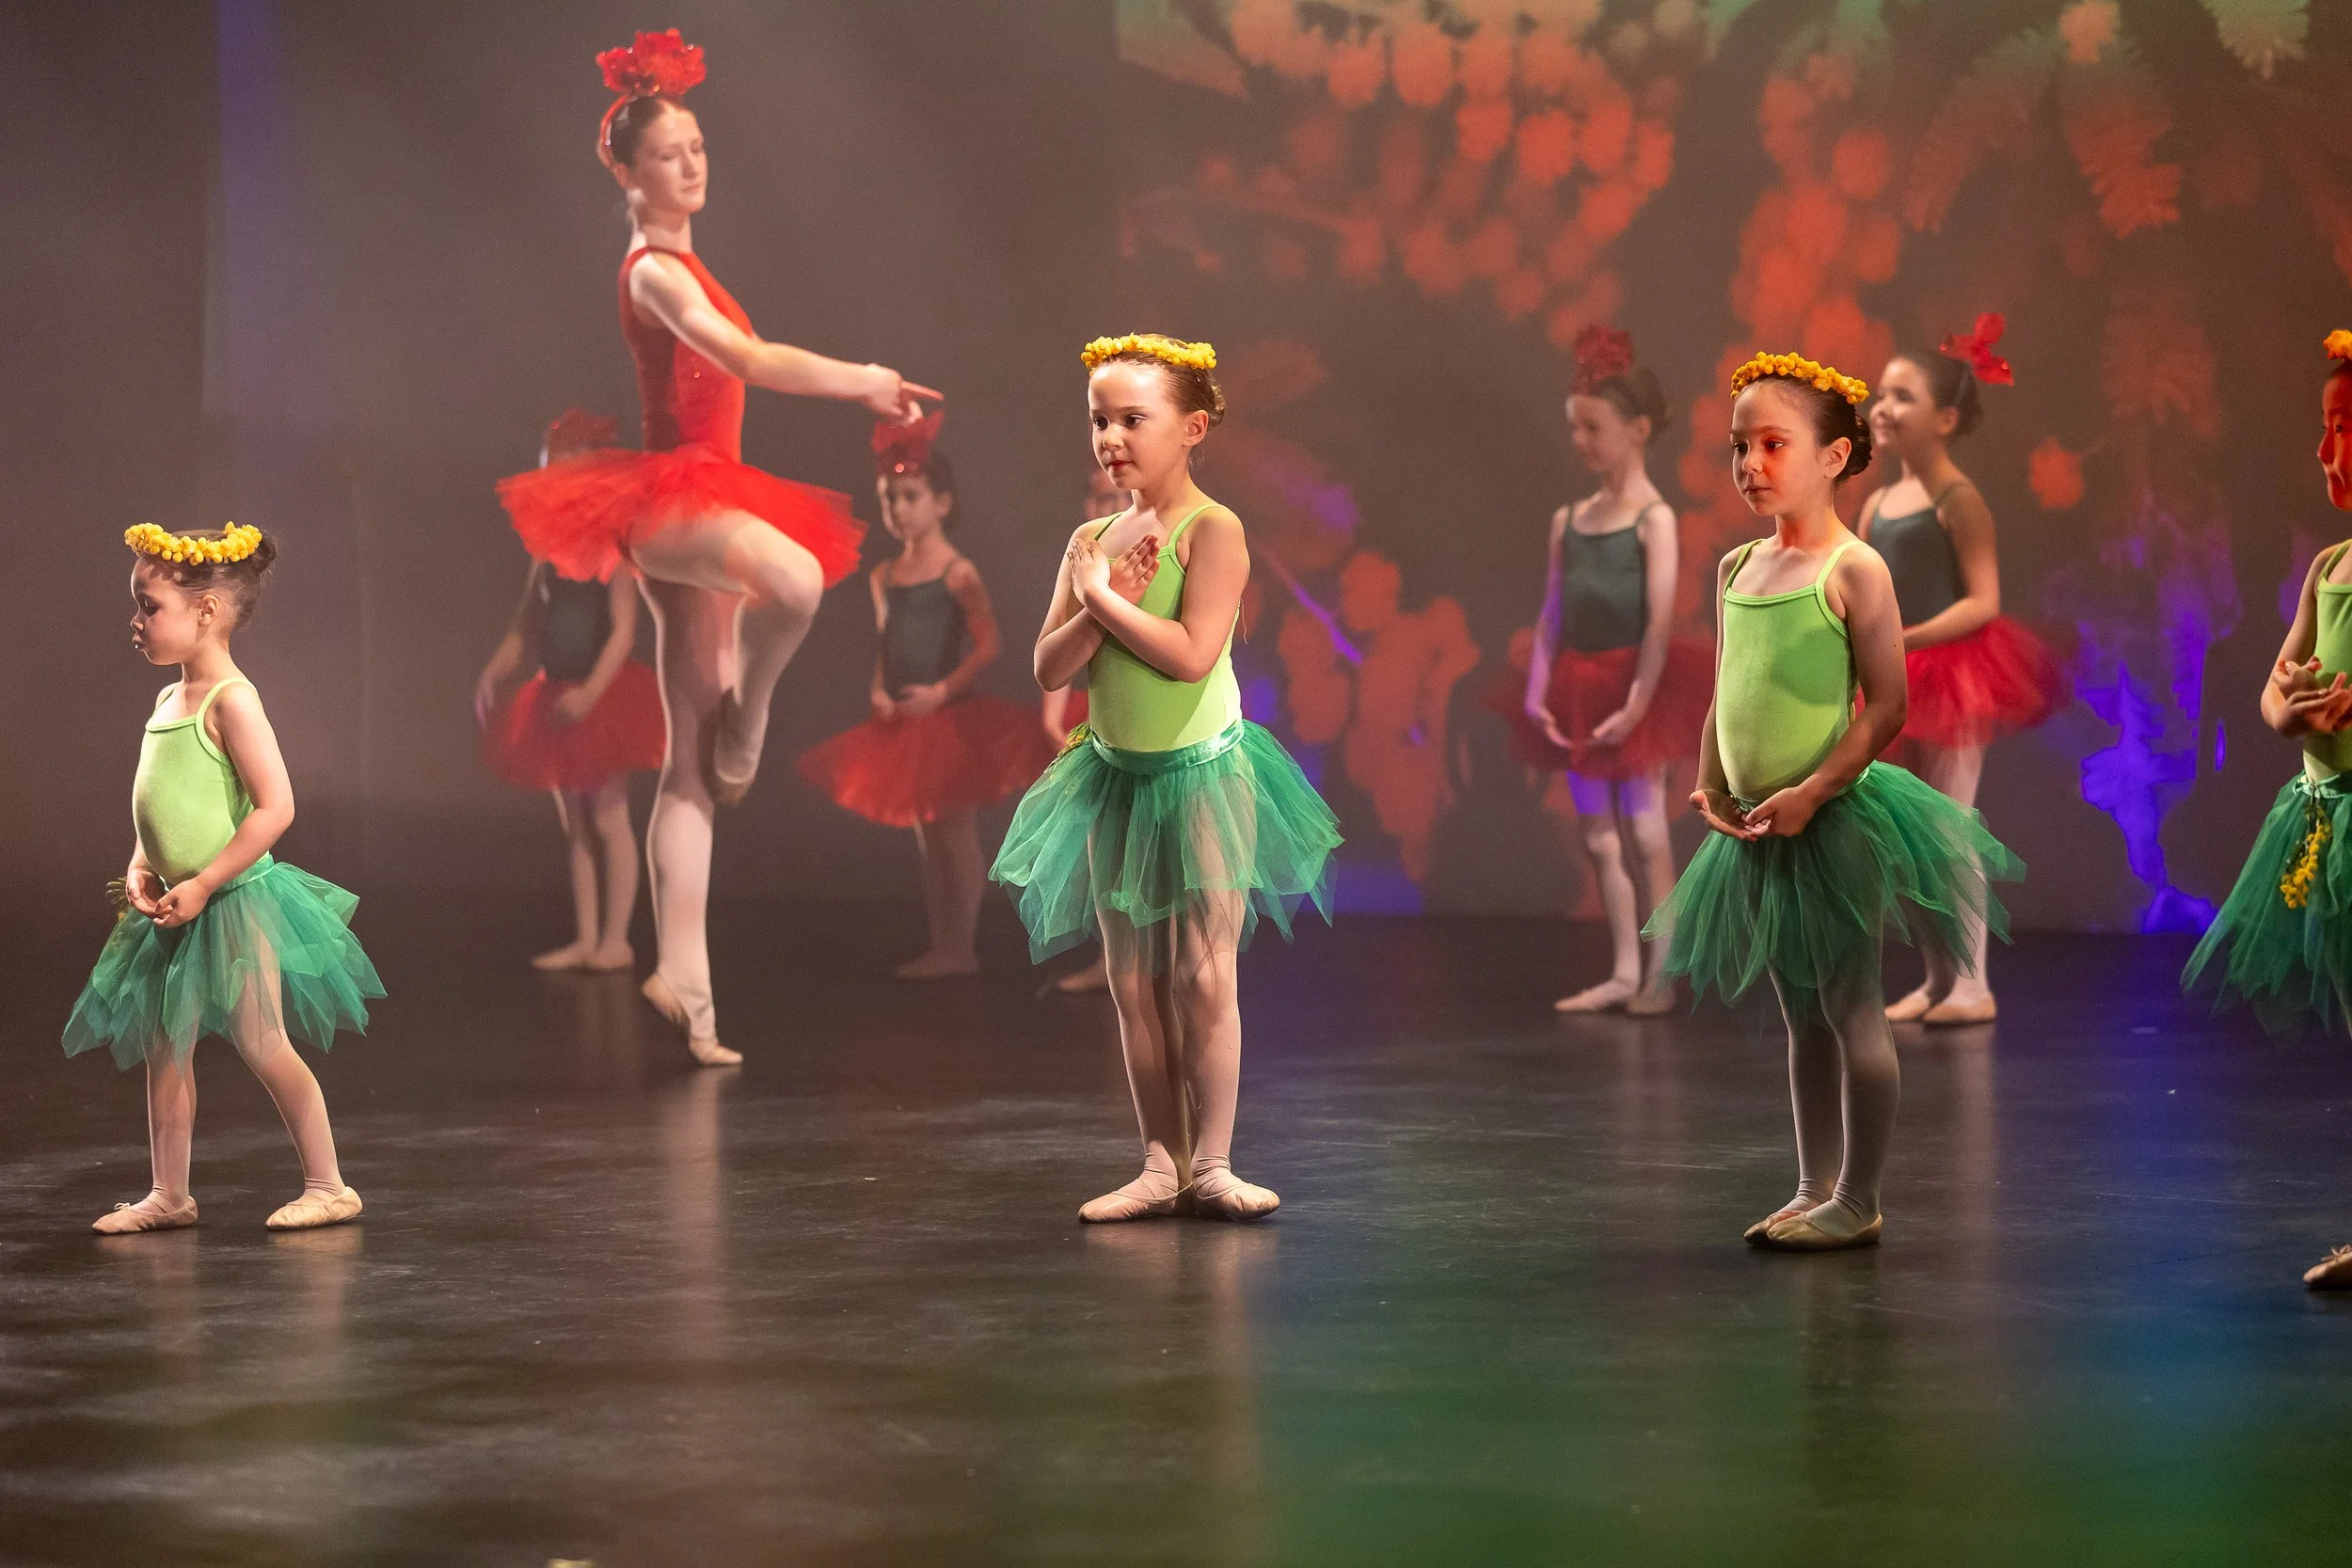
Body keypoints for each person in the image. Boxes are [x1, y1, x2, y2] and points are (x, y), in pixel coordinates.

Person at [496, 30, 938, 1065]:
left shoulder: (688, 259)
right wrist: (862, 376)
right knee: (792, 573)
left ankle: (684, 978)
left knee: (685, 767)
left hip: (703, 502)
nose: (692, 164)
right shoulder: (653, 272)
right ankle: (755, 725)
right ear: (626, 170)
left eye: (698, 148)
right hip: (671, 501)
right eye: (669, 153)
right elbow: (741, 354)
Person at [1645, 352, 2020, 1251]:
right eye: (1740, 447)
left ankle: (1861, 1193)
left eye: (1774, 444)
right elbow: (1727, 693)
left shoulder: (1855, 571)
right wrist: (1711, 778)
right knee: (1799, 1015)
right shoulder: (1738, 565)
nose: (1751, 465)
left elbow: (1887, 706)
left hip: (1831, 819)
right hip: (1758, 821)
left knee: (1851, 1005)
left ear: (1836, 457)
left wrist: (1813, 792)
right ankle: (1813, 1183)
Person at [992, 334, 1342, 1222]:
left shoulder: (1213, 530)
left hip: (1202, 775)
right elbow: (1046, 666)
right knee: (1133, 980)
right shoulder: (1092, 539)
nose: (1111, 437)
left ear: (1192, 428)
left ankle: (1216, 1160)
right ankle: (1160, 1159)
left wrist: (1105, 602)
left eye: (1131, 419)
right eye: (1098, 420)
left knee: (1202, 971)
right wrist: (1097, 595)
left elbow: (1191, 657)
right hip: (1113, 776)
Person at [63, 523, 383, 1233]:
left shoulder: (231, 701)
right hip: (176, 905)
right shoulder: (165, 702)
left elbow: (276, 807)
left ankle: (329, 1183)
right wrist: (140, 865)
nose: (136, 621)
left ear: (206, 610)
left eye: (150, 606)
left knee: (263, 1041)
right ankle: (169, 1193)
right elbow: (158, 809)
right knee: (165, 1048)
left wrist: (206, 881)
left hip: (234, 900)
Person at [2182, 328, 2352, 1289]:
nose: (2326, 451)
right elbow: (2273, 684)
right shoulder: (2329, 564)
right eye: (2323, 430)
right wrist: (2287, 701)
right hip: (2326, 820)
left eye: (2344, 429)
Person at [1861, 316, 2064, 1025]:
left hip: (1954, 674)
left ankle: (1973, 982)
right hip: (1897, 675)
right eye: (1881, 393)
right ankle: (1936, 976)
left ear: (1945, 417)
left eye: (1902, 396)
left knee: (1948, 829)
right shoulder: (1878, 503)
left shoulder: (1958, 499)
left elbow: (1984, 600)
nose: (1882, 407)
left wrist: (1907, 634)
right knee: (1907, 838)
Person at [799, 415, 1053, 975]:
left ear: (941, 502)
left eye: (910, 496)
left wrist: (940, 692)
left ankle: (960, 947)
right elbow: (886, 647)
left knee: (954, 832)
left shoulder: (958, 571)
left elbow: (989, 645)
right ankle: (943, 944)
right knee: (926, 838)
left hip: (948, 721)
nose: (898, 508)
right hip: (902, 721)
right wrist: (878, 695)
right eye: (889, 498)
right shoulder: (884, 575)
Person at [1511, 326, 1711, 1014]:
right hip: (1578, 686)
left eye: (1593, 427)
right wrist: (1539, 689)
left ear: (1638, 429)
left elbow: (1658, 619)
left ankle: (1664, 969)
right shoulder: (1569, 518)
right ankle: (1626, 969)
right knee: (1597, 834)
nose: (1581, 442)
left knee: (1649, 830)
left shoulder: (1654, 519)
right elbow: (1550, 616)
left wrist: (1639, 700)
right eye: (1576, 428)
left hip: (1637, 689)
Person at [477, 410, 666, 972]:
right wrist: (495, 671)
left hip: (601, 699)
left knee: (609, 818)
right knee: (577, 825)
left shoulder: (613, 549)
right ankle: (587, 938)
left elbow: (626, 633)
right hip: (554, 697)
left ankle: (618, 939)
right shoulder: (544, 557)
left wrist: (591, 695)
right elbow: (523, 629)